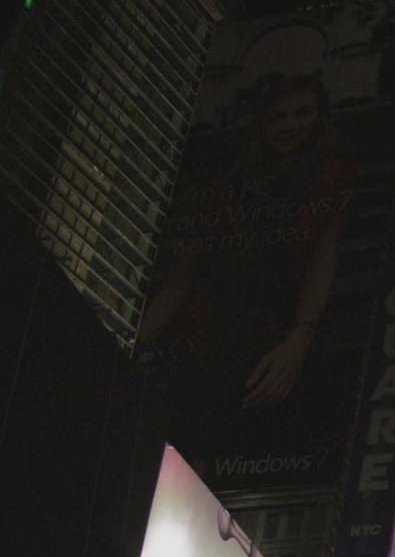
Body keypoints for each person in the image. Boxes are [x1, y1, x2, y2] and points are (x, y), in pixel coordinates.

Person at [138, 73, 355, 452]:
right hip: (207, 338)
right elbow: (185, 271)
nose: (289, 125)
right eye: (277, 116)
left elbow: (324, 259)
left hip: (274, 343)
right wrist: (133, 344)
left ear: (320, 117)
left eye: (302, 112)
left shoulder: (332, 177)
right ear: (260, 123)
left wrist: (300, 337)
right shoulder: (228, 182)